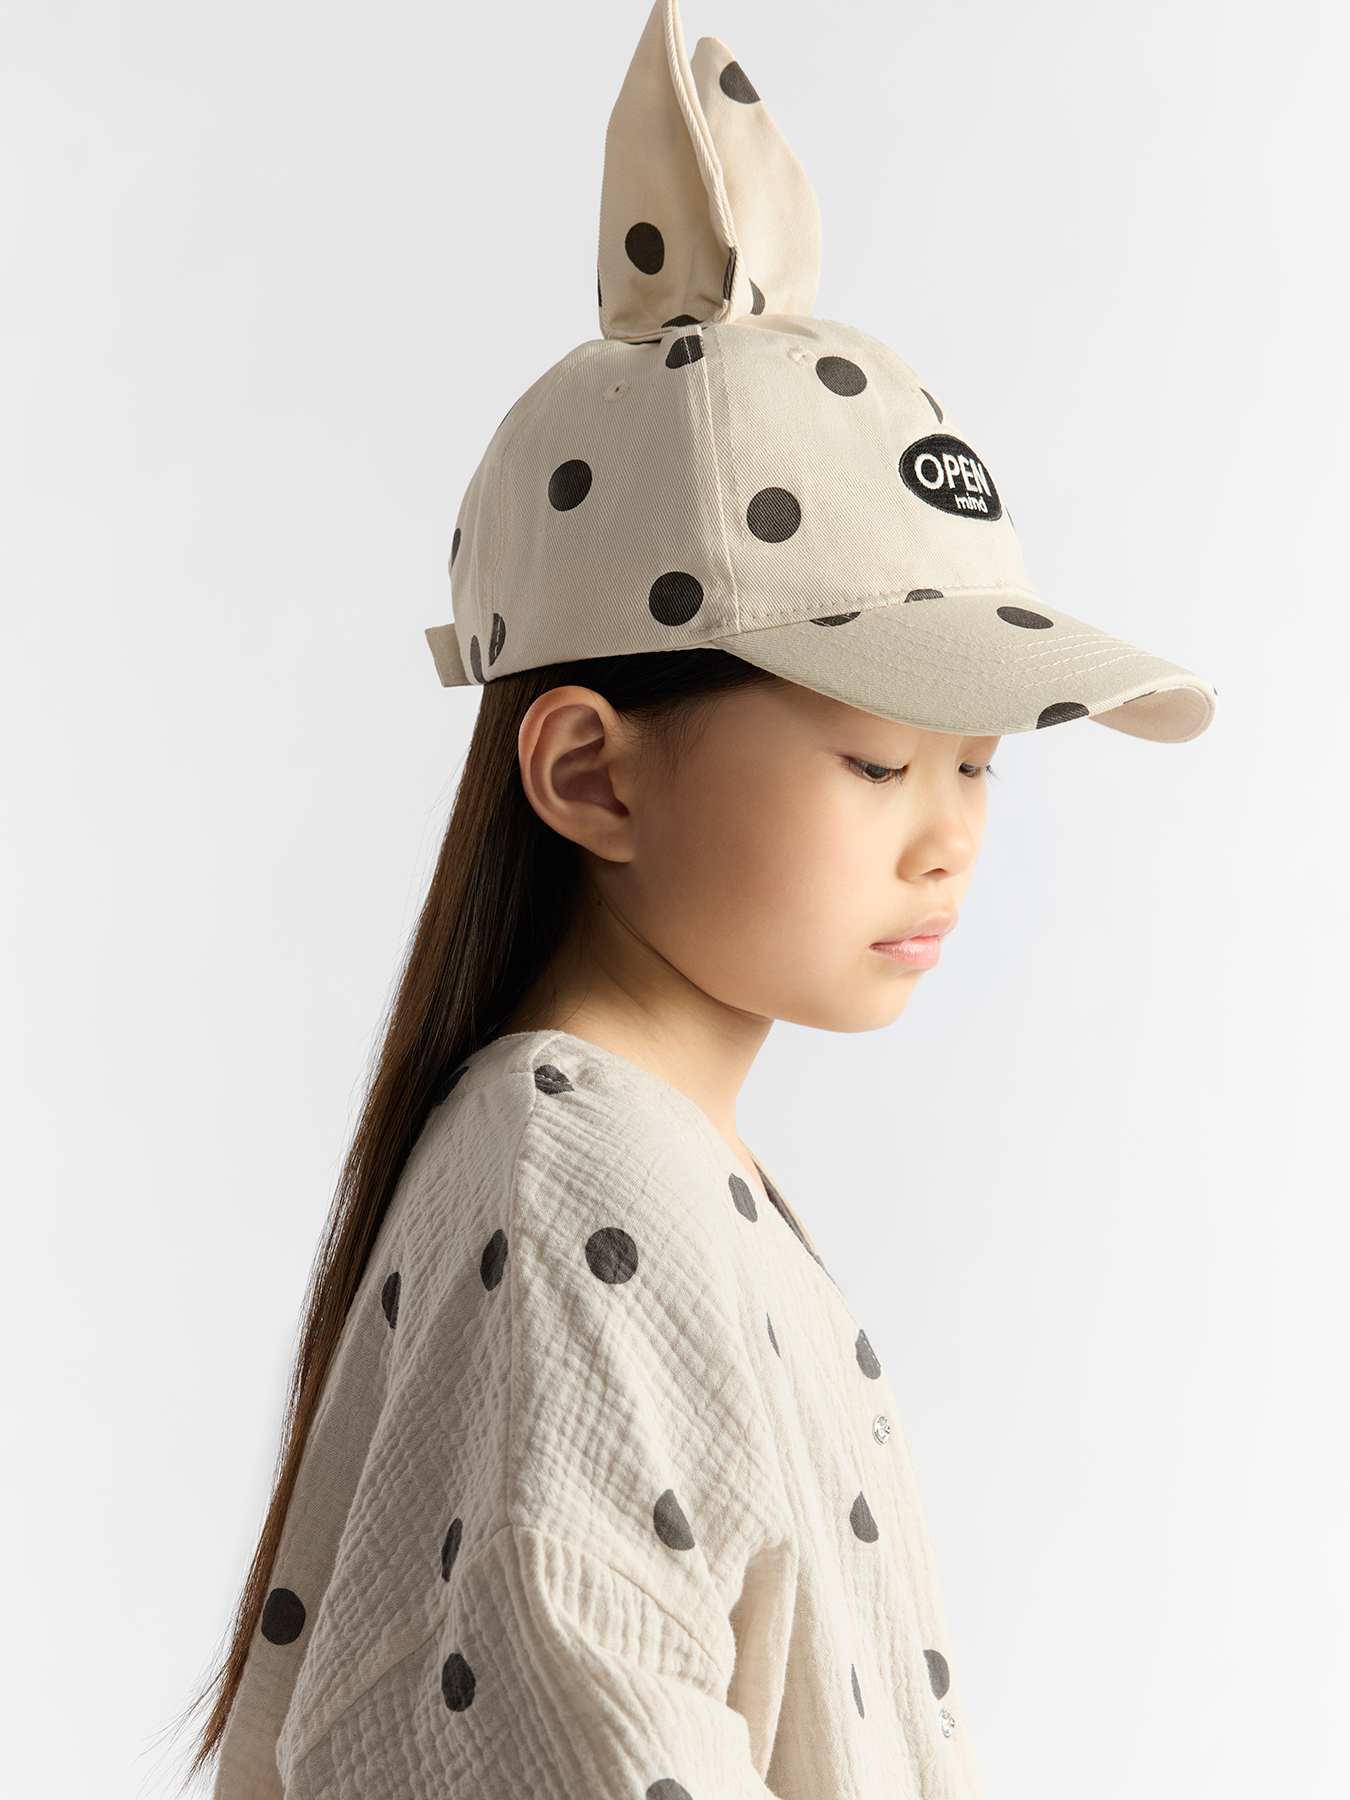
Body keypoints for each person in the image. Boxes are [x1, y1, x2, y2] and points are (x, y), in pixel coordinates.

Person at [193, 4, 1215, 1795]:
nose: (949, 839)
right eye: (874, 761)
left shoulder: (621, 1161)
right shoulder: (583, 1187)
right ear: (591, 772)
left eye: (975, 764)